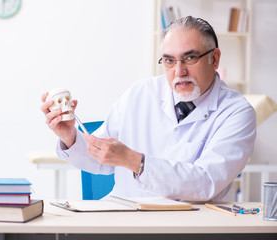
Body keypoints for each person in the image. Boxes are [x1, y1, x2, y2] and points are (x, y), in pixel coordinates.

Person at [40, 16, 256, 202]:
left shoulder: (237, 112)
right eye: (170, 61)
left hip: (189, 227)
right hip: (124, 221)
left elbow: (206, 182)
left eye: (190, 58)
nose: (179, 71)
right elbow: (101, 160)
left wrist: (134, 161)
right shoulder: (141, 93)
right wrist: (70, 137)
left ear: (215, 58)